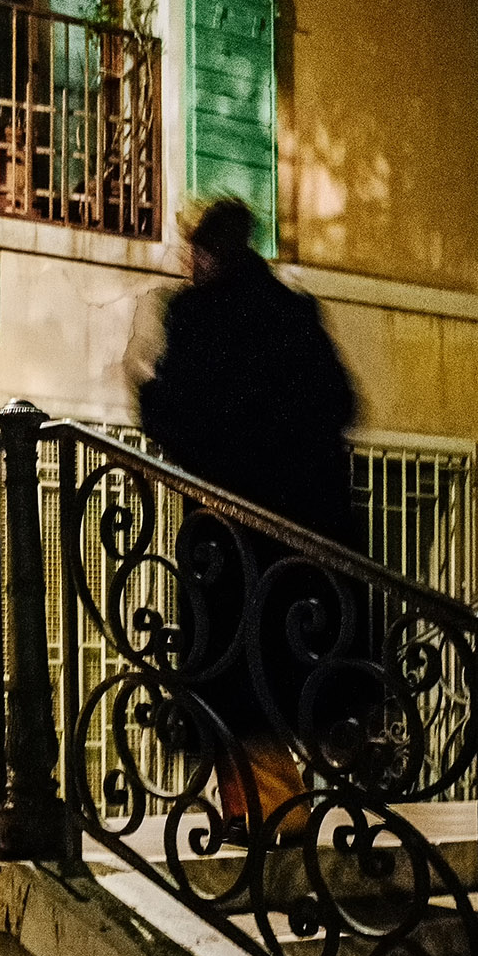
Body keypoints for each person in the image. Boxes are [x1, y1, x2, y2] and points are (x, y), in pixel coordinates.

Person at [126, 197, 362, 840]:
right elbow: (342, 403)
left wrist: (142, 381)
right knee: (283, 678)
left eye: (191, 254)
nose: (187, 266)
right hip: (303, 538)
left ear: (205, 253)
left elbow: (174, 418)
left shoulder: (198, 317)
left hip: (230, 539)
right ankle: (273, 813)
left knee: (236, 680)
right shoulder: (294, 313)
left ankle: (268, 819)